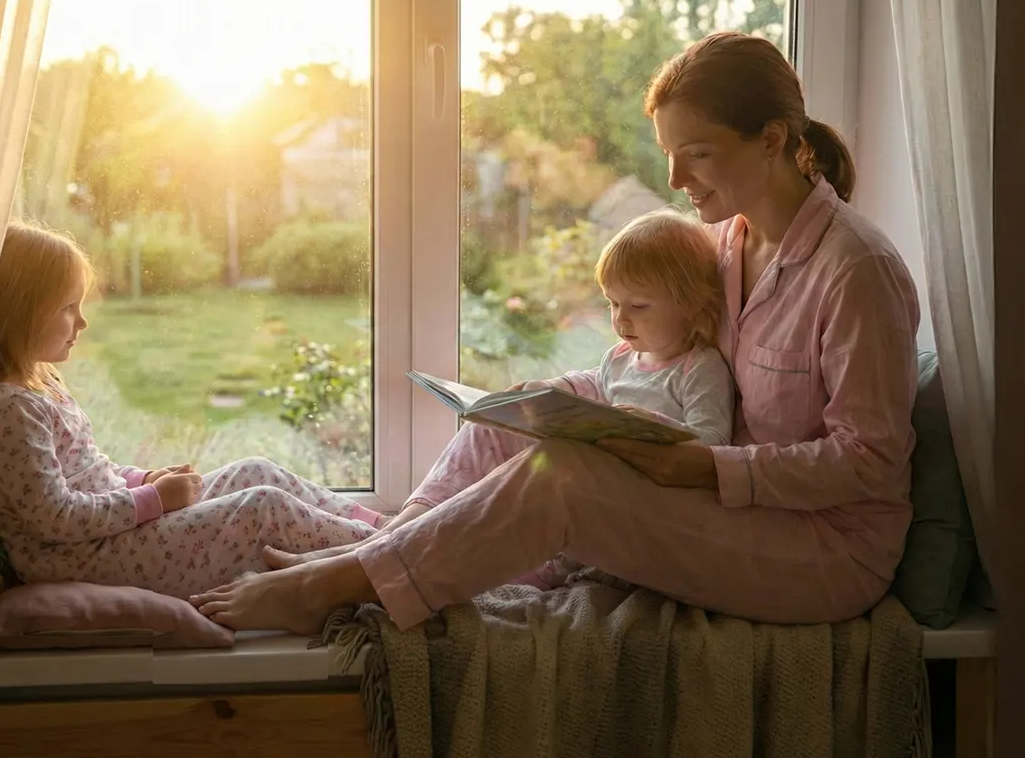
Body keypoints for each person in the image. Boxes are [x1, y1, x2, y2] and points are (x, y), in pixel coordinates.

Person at [193, 31, 921, 635]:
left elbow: (870, 460)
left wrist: (705, 468)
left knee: (563, 483)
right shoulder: (729, 243)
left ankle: (332, 589)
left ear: (771, 139)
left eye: (695, 153)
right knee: (510, 415)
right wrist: (555, 402)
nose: (672, 178)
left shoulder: (856, 270)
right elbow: (672, 358)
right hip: (737, 507)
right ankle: (379, 549)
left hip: (823, 553)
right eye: (668, 152)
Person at [266, 207, 737, 590]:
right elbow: (591, 383)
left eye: (638, 306)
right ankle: (390, 536)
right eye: (613, 304)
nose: (620, 320)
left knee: (499, 525)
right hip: (581, 498)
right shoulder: (622, 358)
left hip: (622, 521)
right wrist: (549, 392)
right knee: (487, 424)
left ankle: (376, 556)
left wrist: (660, 436)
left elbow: (713, 446)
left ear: (692, 302)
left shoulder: (701, 370)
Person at [0, 222, 382, 600]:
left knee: (255, 470)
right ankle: (385, 556)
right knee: (260, 508)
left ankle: (382, 528)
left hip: (108, 534)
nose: (82, 322)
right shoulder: (7, 411)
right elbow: (57, 518)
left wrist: (142, 480)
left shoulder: (39, 383)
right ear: (20, 313)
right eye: (68, 308)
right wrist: (152, 500)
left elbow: (88, 470)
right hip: (83, 559)